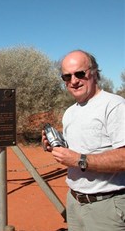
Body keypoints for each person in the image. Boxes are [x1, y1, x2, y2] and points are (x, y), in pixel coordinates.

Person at [42, 49, 125, 231]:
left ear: (94, 73)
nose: (73, 81)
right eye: (66, 77)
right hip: (74, 202)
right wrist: (55, 146)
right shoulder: (70, 112)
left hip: (107, 206)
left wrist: (79, 160)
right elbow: (80, 148)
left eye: (80, 73)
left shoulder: (115, 106)